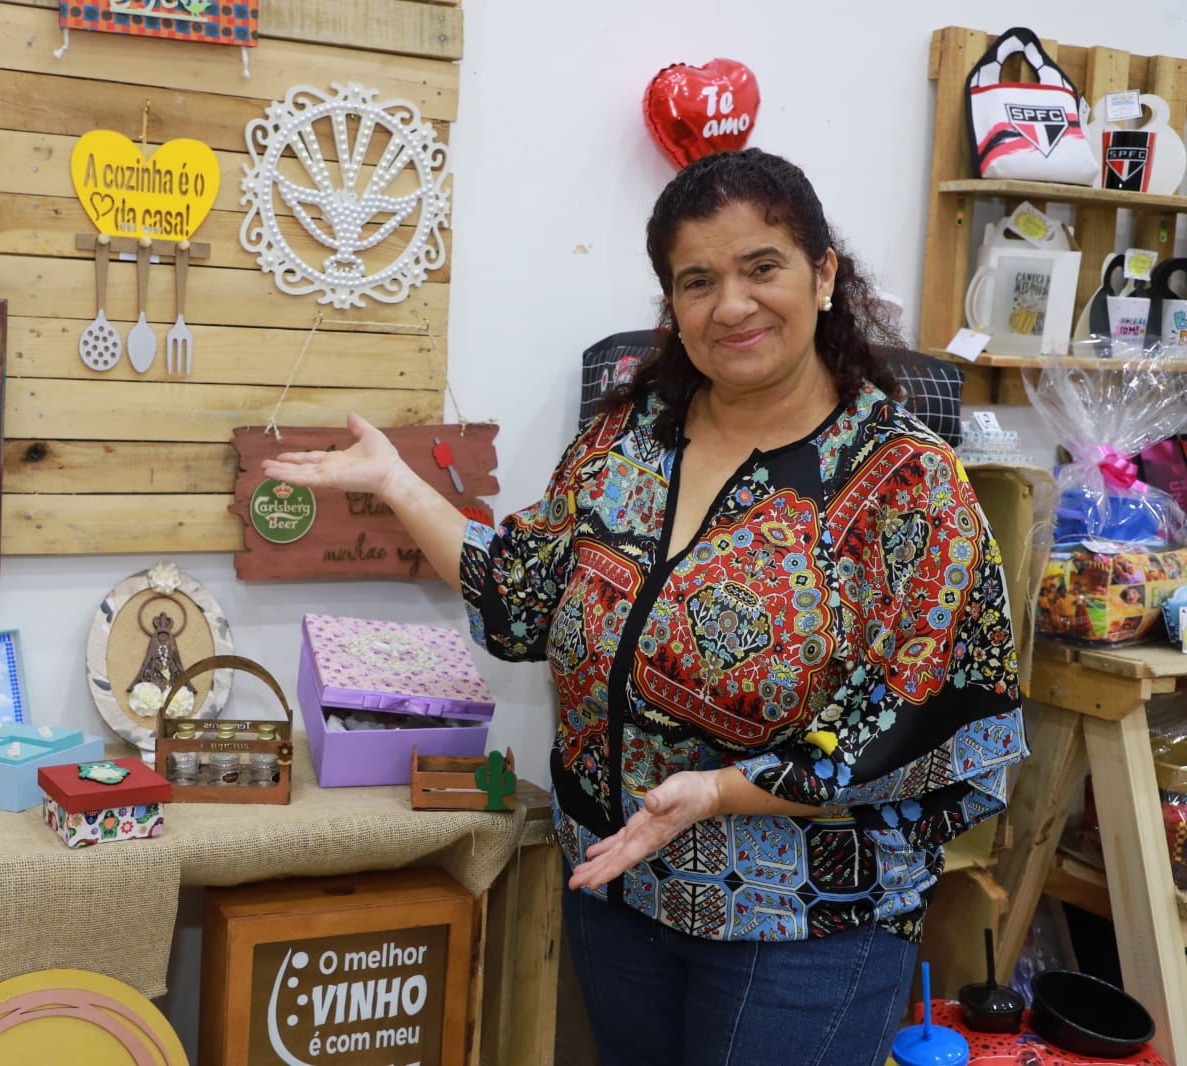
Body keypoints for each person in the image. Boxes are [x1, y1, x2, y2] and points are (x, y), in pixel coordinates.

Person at [263, 148, 1028, 1066]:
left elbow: (917, 710)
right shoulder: (626, 440)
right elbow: (520, 597)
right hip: (619, 894)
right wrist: (396, 483)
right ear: (672, 305)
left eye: (761, 267)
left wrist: (719, 792)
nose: (731, 305)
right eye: (697, 280)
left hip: (803, 925)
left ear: (823, 274)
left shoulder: (907, 481)